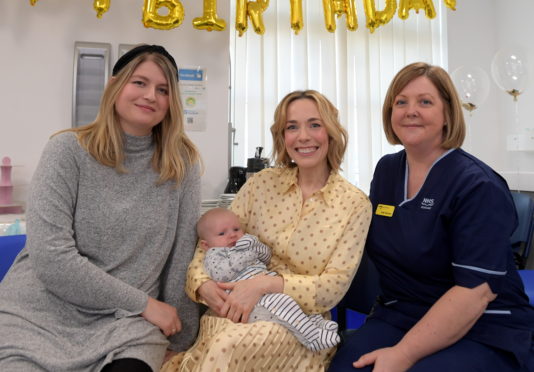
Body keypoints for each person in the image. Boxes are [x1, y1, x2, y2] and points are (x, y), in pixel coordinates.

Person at [0, 44, 202, 372]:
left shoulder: (180, 163)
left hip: (125, 326)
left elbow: (182, 257)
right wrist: (146, 305)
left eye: (163, 89)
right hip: (39, 314)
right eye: (140, 82)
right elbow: (52, 259)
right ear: (114, 86)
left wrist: (181, 340)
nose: (151, 95)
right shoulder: (66, 150)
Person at [329, 62, 534, 372]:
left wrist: (403, 354)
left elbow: (475, 292)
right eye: (401, 102)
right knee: (344, 367)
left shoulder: (477, 185)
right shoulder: (386, 171)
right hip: (402, 313)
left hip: (482, 325)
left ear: (447, 114)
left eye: (425, 101)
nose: (411, 110)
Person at [162, 89, 372, 371]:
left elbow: (331, 287)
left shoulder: (354, 204)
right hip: (230, 308)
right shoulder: (260, 184)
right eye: (292, 127)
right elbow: (212, 240)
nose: (303, 136)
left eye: (314, 125)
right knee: (217, 344)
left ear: (331, 132)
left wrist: (263, 284)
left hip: (296, 322)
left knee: (225, 348)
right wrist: (203, 285)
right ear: (282, 137)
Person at [197, 207, 341, 352]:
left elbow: (266, 257)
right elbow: (220, 274)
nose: (232, 235)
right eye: (222, 233)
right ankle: (312, 338)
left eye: (236, 229)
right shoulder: (214, 254)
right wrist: (246, 254)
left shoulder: (246, 245)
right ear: (206, 244)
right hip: (250, 303)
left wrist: (255, 245)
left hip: (266, 289)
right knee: (284, 305)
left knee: (295, 300)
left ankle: (317, 324)